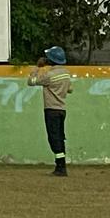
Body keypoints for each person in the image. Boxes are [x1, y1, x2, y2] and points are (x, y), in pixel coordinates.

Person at [27, 46, 73, 177]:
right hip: (62, 109)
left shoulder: (49, 75)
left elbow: (31, 82)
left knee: (54, 139)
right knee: (60, 137)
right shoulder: (66, 74)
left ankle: (60, 167)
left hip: (51, 109)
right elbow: (70, 89)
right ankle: (61, 165)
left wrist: (37, 68)